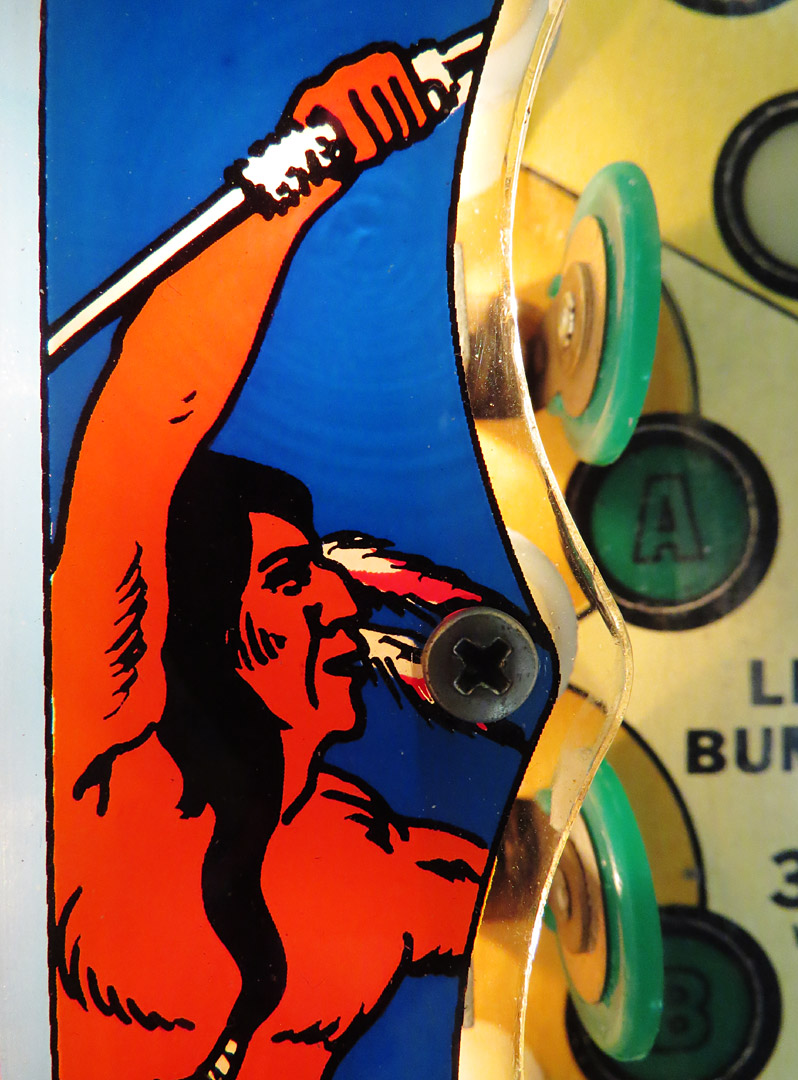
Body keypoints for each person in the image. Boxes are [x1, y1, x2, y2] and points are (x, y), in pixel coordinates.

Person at [51, 48, 494, 1080]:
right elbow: (145, 420)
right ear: (188, 621)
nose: (339, 597)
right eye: (288, 580)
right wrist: (306, 166)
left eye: (317, 569)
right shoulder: (103, 771)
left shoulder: (382, 868)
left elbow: (596, 923)